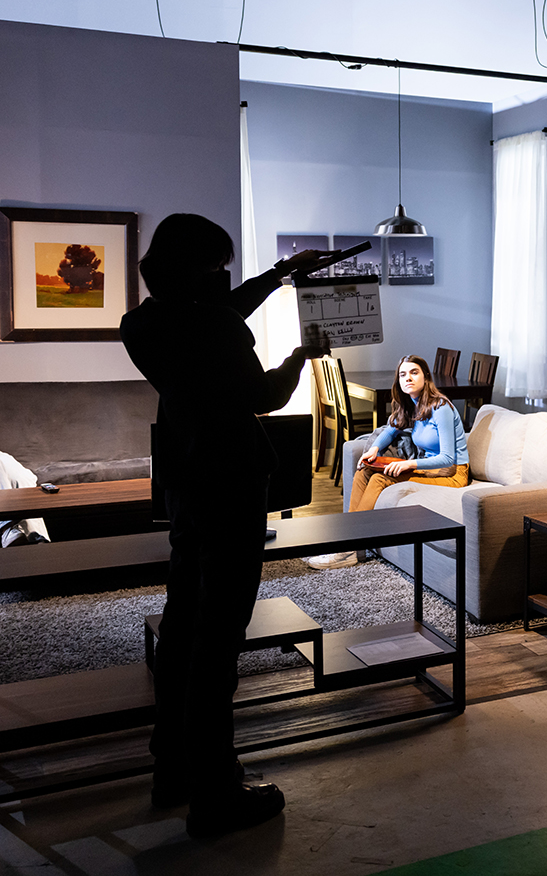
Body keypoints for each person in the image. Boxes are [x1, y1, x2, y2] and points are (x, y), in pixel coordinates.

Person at [120, 213, 332, 839]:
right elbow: (262, 395)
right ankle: (216, 791)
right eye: (218, 266)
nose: (226, 277)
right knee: (220, 638)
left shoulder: (147, 325)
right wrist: (300, 358)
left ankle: (173, 770)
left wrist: (281, 275)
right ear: (198, 270)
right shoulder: (212, 327)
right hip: (233, 487)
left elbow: (217, 311)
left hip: (185, 486)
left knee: (184, 624)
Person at [304, 355, 469, 569]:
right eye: (403, 374)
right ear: (398, 380)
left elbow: (448, 458)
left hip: (452, 473)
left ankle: (348, 548)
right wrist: (373, 449)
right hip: (430, 468)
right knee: (364, 471)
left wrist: (410, 464)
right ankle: (346, 542)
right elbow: (390, 430)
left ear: (426, 376)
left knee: (381, 479)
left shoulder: (440, 407)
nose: (408, 378)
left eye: (414, 372)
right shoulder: (411, 404)